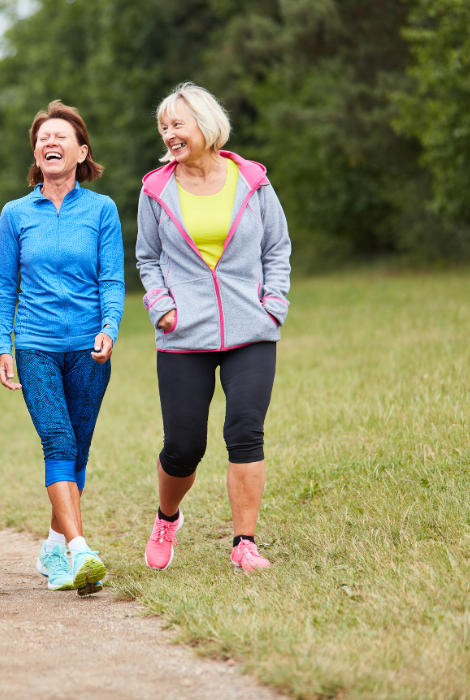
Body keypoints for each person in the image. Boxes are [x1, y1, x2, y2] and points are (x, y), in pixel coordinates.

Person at [135, 82, 291, 573]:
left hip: (251, 326)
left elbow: (277, 248)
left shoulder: (253, 181)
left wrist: (273, 305)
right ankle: (167, 518)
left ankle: (244, 542)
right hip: (184, 333)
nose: (169, 134)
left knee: (245, 431)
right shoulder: (155, 189)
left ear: (205, 124)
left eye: (177, 124)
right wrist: (162, 306)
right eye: (164, 127)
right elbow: (147, 256)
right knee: (184, 446)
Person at [0, 100, 124, 596]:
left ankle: (53, 546)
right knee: (58, 442)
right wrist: (2, 345)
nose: (50, 142)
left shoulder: (102, 210)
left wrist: (110, 326)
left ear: (81, 151)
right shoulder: (15, 213)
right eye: (43, 137)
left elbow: (112, 278)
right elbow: (4, 287)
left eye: (61, 136)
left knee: (78, 451)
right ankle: (80, 549)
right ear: (36, 152)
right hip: (36, 346)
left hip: (90, 348)